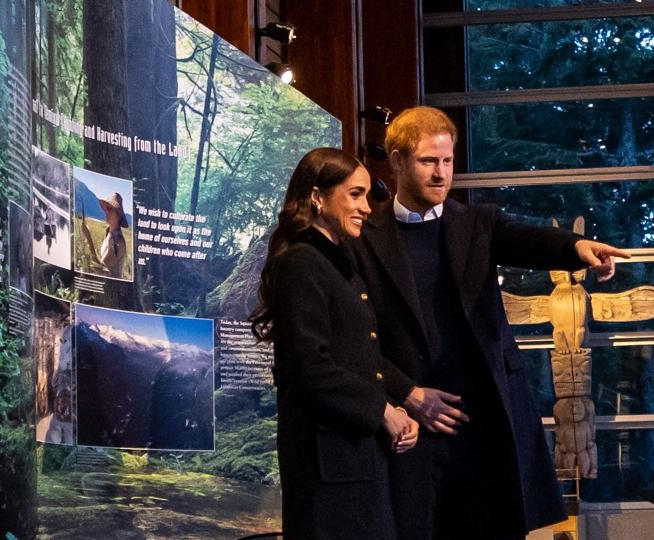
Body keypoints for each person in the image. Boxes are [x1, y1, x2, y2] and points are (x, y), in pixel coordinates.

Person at [347, 106, 630, 539]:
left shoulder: (474, 223)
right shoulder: (365, 236)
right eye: (429, 161)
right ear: (398, 160)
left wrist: (576, 248)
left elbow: (528, 240)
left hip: (483, 420)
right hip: (412, 423)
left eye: (447, 161)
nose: (442, 174)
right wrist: (406, 393)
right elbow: (354, 337)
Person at [250, 147, 420, 539]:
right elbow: (309, 366)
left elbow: (359, 357)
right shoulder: (302, 262)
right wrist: (382, 410)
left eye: (366, 195)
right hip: (328, 468)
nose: (365, 207)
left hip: (354, 459)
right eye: (354, 194)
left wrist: (401, 401)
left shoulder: (337, 263)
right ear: (317, 197)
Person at [97, 193, 128, 278]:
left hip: (112, 288)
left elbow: (101, 268)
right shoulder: (108, 232)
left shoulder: (118, 240)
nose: (106, 211)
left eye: (110, 209)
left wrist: (88, 237)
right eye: (106, 208)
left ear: (118, 215)